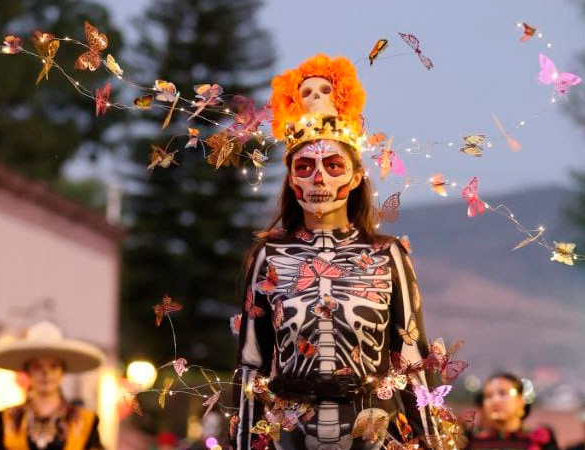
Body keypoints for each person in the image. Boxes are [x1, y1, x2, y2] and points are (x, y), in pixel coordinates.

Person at [230, 54, 440, 450]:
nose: (319, 178)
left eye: (332, 165)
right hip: (290, 436)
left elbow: (412, 361)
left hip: (374, 433)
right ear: (292, 179)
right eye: (305, 167)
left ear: (357, 175)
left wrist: (432, 444)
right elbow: (251, 365)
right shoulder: (269, 256)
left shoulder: (387, 254)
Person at [0, 321, 106, 450]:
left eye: (53, 367)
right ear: (28, 372)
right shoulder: (6, 419)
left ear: (62, 372)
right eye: (37, 367)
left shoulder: (85, 421)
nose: (46, 374)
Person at [467, 373, 559, 450]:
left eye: (503, 393)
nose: (495, 400)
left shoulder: (540, 441)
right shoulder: (468, 442)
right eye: (488, 396)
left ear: (521, 401)